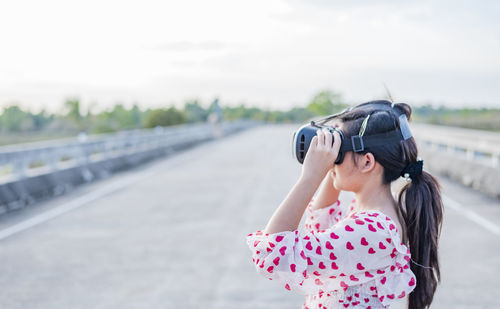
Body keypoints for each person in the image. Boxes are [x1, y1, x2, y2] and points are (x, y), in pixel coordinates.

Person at [246, 100, 443, 309]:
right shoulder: (378, 213)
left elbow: (271, 254)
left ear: (367, 162)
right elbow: (319, 226)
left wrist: (310, 177)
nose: (333, 158)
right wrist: (331, 162)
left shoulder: (372, 230)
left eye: (339, 153)